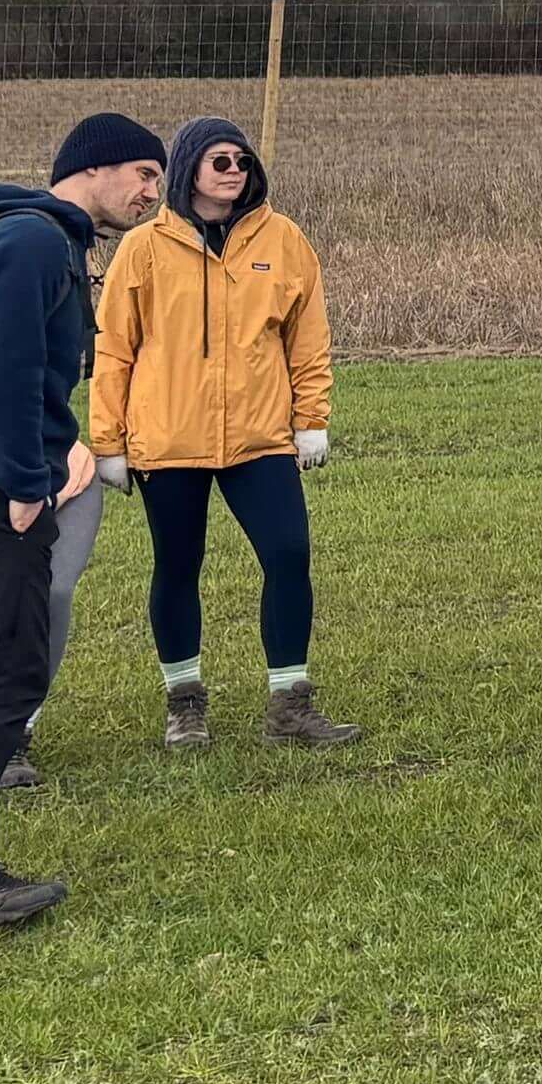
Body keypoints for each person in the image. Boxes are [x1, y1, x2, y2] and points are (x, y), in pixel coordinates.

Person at [0, 111, 166, 930]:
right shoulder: (31, 245)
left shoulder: (33, 238)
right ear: (90, 169)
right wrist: (28, 483)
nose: (153, 191)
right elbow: (12, 372)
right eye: (143, 173)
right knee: (13, 671)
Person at [82, 116, 353, 751]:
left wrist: (311, 420)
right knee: (178, 566)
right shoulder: (143, 249)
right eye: (218, 160)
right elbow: (113, 349)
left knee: (288, 555)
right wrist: (108, 443)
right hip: (168, 441)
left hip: (260, 439)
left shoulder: (284, 240)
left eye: (241, 161)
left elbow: (308, 341)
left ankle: (290, 703)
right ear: (188, 169)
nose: (233, 171)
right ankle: (185, 704)